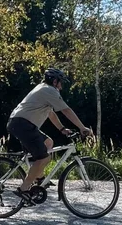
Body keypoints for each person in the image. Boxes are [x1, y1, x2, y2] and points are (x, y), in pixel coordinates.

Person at [6, 69, 93, 203]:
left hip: (22, 124)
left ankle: (39, 178)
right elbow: (66, 110)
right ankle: (23, 189)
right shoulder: (49, 90)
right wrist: (82, 127)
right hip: (23, 125)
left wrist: (62, 128)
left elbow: (51, 113)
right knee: (44, 159)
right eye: (61, 83)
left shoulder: (44, 90)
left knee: (48, 143)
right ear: (54, 81)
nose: (61, 86)